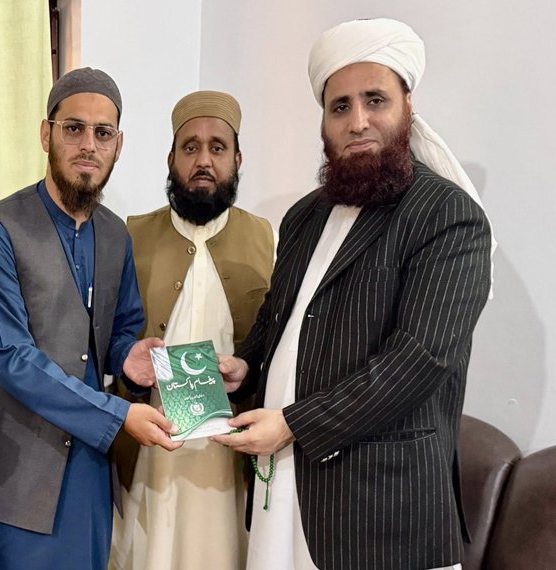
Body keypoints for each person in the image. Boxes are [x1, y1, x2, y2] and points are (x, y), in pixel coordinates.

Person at [212, 18, 494, 570]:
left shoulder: (448, 215)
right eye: (340, 106)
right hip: (284, 484)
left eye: (375, 100)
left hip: (379, 507)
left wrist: (293, 424)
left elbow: (419, 359)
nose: (358, 121)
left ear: (407, 105)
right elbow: (281, 316)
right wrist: (247, 363)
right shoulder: (305, 216)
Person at [0, 67, 181, 570]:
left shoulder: (116, 235)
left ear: (118, 145)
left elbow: (119, 330)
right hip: (10, 480)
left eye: (103, 133)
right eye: (73, 128)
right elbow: (12, 357)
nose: (88, 145)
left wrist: (129, 356)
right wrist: (118, 415)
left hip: (87, 478)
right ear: (46, 134)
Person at [110, 91, 274, 570]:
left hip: (231, 454)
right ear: (171, 159)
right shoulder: (130, 235)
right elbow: (106, 341)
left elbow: (275, 343)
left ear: (237, 159)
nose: (203, 160)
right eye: (190, 147)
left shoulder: (266, 237)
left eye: (217, 148)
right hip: (151, 448)